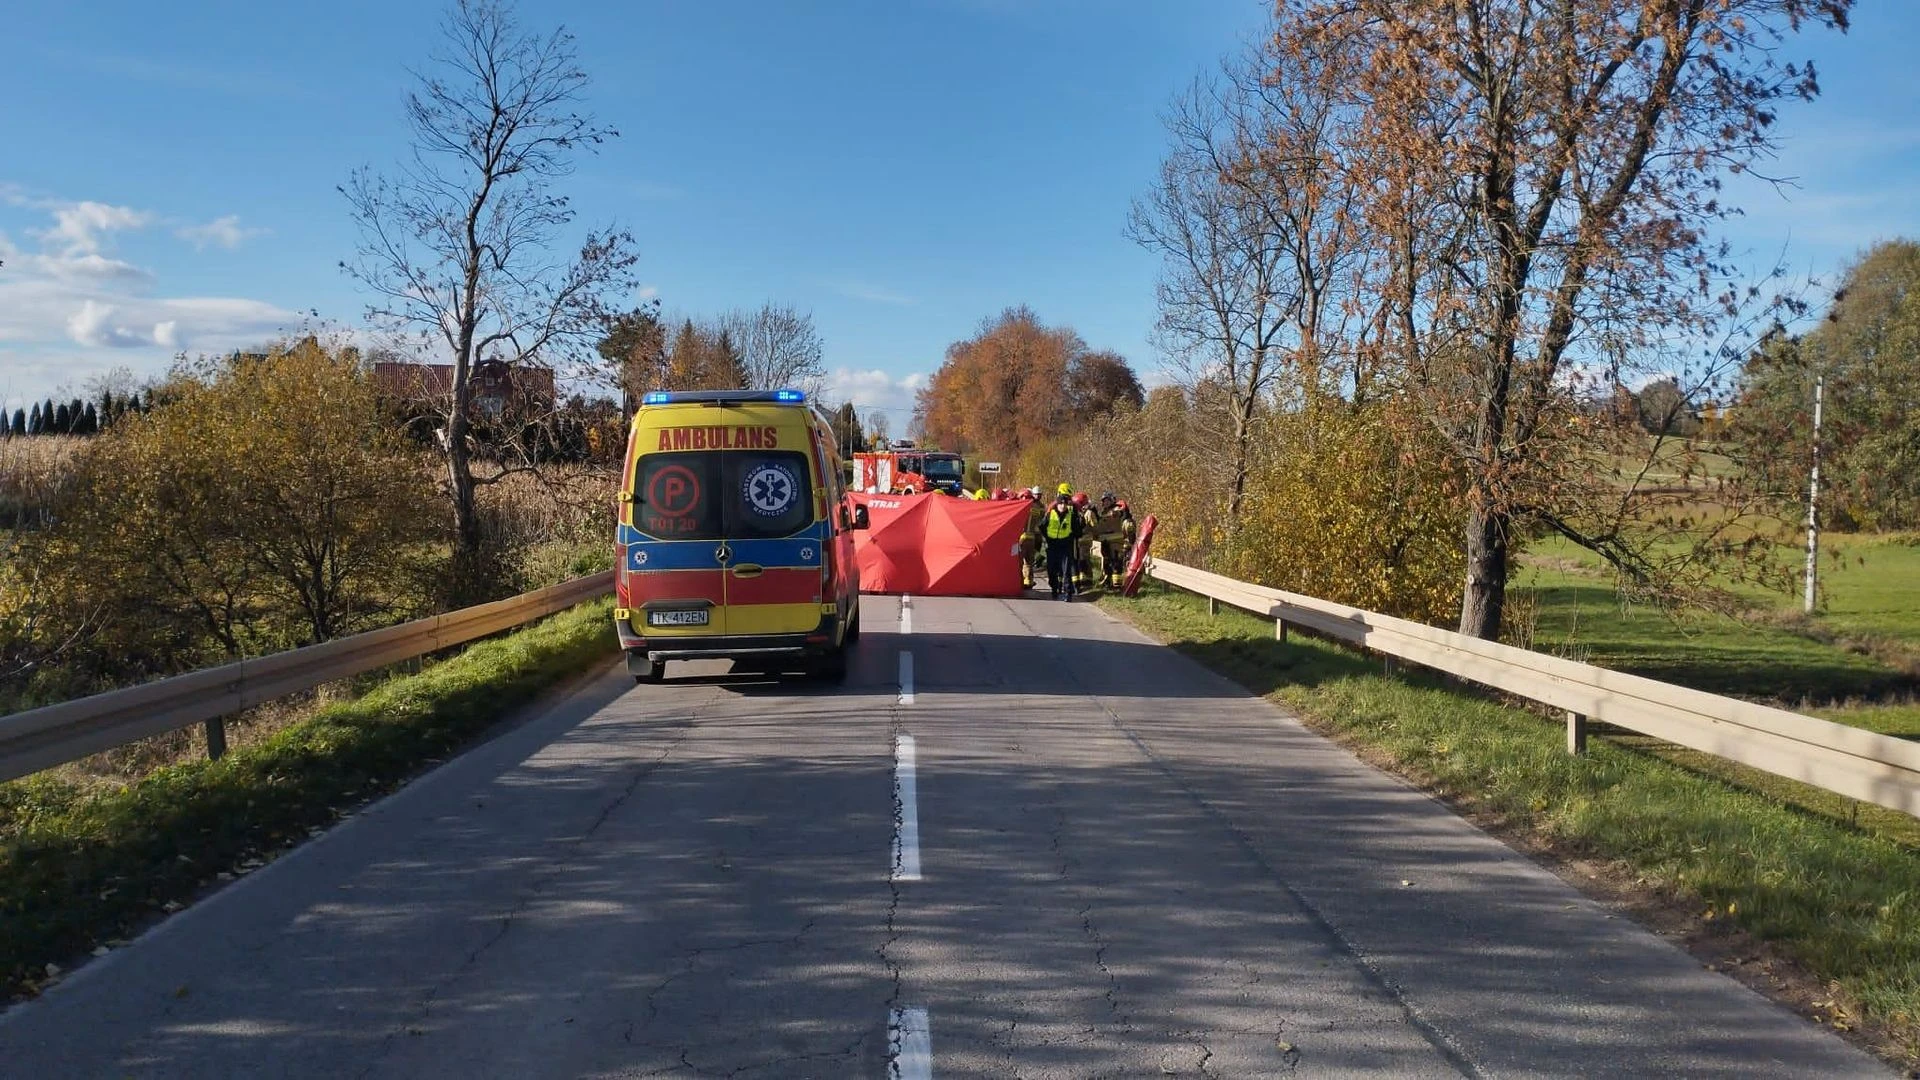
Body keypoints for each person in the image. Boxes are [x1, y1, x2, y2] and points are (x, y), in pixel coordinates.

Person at [1042, 490, 1082, 600]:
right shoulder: (1051, 514)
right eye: (1061, 503)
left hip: (1065, 546)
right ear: (1057, 504)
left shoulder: (1071, 516)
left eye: (1065, 504)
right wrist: (1048, 538)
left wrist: (1072, 535)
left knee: (1066, 571)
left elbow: (1078, 531)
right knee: (1052, 570)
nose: (1063, 506)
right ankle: (1054, 589)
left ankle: (1067, 593)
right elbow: (1042, 526)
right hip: (1052, 546)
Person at [1093, 493, 1135, 588]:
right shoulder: (1104, 513)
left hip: (1116, 543)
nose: (1105, 503)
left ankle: (1117, 584)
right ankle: (1108, 581)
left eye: (1107, 500)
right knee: (1107, 562)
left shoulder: (1115, 509)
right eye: (1104, 501)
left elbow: (1119, 513)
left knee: (1116, 562)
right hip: (1105, 542)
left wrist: (1118, 512)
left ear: (1112, 500)